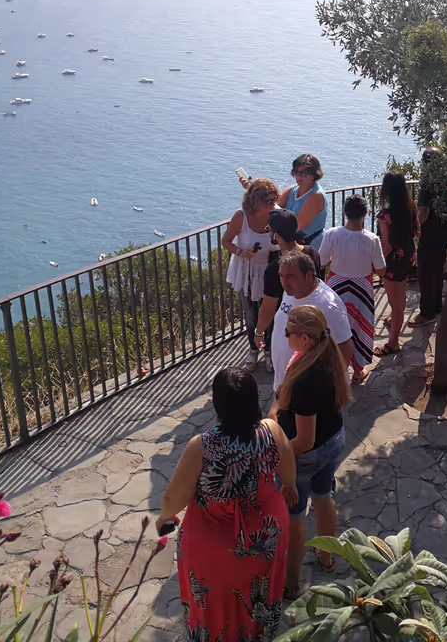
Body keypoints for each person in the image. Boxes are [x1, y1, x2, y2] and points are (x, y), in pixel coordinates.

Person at [155, 368, 298, 641]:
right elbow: (288, 473)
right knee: (261, 593)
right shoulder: (272, 431)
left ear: (218, 404)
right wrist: (287, 487)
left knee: (215, 602)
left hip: (216, 544)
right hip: (266, 536)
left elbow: (173, 499)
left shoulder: (202, 446)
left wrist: (164, 518)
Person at [268, 306, 351, 596]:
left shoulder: (306, 379)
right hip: (333, 440)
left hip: (307, 454)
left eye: (288, 332)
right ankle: (326, 557)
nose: (284, 335)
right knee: (324, 495)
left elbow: (303, 440)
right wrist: (274, 415)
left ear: (304, 339)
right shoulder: (324, 356)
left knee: (294, 516)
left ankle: (291, 585)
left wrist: (272, 456)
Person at [318, 194, 386, 382]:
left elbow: (321, 262)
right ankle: (358, 370)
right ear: (365, 214)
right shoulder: (372, 239)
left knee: (333, 326)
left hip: (336, 286)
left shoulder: (332, 233)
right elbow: (381, 270)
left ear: (346, 213)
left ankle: (333, 367)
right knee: (360, 327)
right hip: (362, 287)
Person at [251, 209, 321, 380]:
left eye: (270, 230)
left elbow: (268, 308)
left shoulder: (276, 269)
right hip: (313, 323)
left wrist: (258, 333)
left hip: (289, 331)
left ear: (276, 236)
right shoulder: (312, 253)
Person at [270, 251, 353, 394]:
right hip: (285, 385)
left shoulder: (328, 306)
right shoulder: (291, 292)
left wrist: (330, 389)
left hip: (310, 392)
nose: (284, 282)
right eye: (281, 276)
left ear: (309, 276)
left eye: (290, 276)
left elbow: (344, 345)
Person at [222, 178, 281, 372]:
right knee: (250, 314)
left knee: (272, 312)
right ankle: (254, 350)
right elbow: (226, 241)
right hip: (247, 271)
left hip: (270, 271)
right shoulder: (242, 216)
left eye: (275, 199)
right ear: (256, 201)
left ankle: (270, 351)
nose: (273, 204)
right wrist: (240, 252)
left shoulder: (277, 215)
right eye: (269, 201)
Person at [375, 171, 419, 356]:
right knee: (399, 296)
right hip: (408, 255)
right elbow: (417, 231)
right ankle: (395, 321)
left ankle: (393, 343)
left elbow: (385, 245)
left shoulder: (384, 215)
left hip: (393, 260)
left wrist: (377, 265)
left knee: (397, 302)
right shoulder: (411, 207)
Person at [409, 148, 447, 328]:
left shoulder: (427, 183)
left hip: (430, 236)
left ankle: (427, 313)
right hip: (444, 234)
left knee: (425, 274)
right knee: (437, 271)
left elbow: (423, 214)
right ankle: (437, 306)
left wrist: (414, 225)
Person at [278, 154, 328, 247]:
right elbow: (272, 210)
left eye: (304, 173)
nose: (299, 176)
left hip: (311, 246)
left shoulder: (315, 196)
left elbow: (298, 226)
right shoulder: (291, 191)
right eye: (297, 172)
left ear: (314, 175)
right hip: (292, 245)